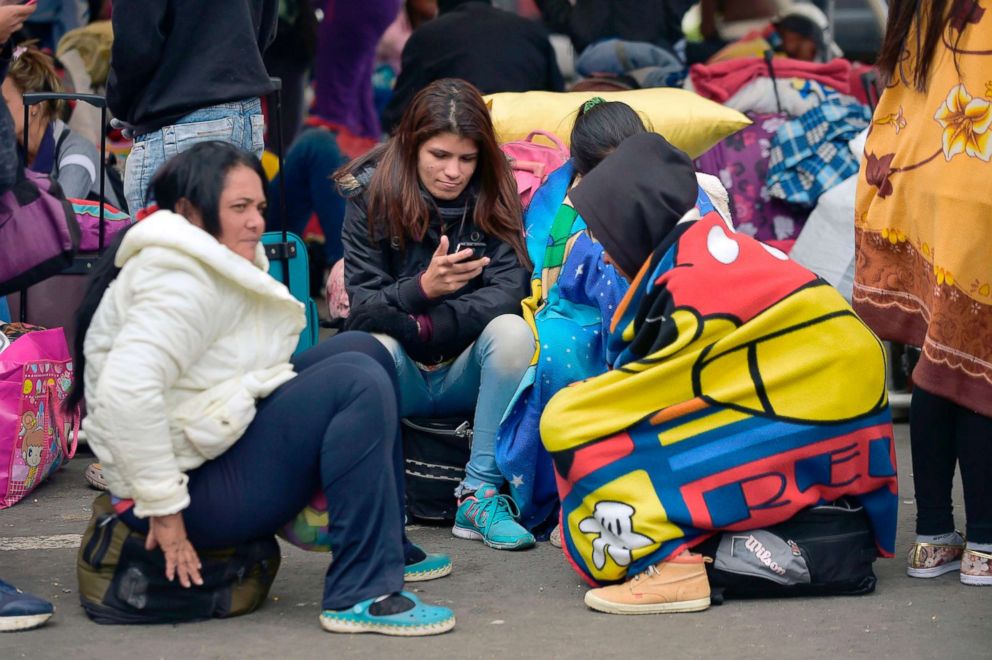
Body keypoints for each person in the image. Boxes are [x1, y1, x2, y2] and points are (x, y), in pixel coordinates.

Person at [70, 141, 456, 635]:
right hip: (183, 496)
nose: (255, 221)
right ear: (190, 211)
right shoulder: (174, 279)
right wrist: (163, 510)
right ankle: (362, 592)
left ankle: (383, 547)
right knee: (355, 382)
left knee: (363, 350)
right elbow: (127, 394)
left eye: (259, 207)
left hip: (211, 454)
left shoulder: (204, 256)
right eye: (239, 208)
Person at [540, 132, 898, 614]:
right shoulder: (699, 247)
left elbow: (649, 399)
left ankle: (672, 563)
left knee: (571, 426)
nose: (605, 254)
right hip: (831, 402)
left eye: (607, 238)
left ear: (636, 221)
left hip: (818, 401)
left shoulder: (688, 275)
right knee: (595, 419)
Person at [338, 78, 536, 551]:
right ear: (411, 146)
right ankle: (380, 497)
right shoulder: (368, 192)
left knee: (513, 333)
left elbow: (509, 292)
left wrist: (426, 324)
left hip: (464, 366)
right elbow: (362, 309)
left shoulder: (496, 187)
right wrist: (420, 288)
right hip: (400, 369)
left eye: (466, 159)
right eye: (440, 156)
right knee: (371, 348)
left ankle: (479, 493)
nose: (454, 172)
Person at [855, 0, 992, 587]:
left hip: (914, 175)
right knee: (979, 365)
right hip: (977, 172)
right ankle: (985, 542)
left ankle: (934, 536)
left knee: (938, 357)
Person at [107, 0, 279, 213]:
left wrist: (122, 102)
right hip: (240, 110)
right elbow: (267, 26)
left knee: (167, 244)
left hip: (180, 118)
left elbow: (136, 43)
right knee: (227, 242)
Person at [381, 0, 564, 133]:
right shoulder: (531, 31)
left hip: (460, 145)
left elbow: (400, 116)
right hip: (529, 146)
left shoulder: (428, 36)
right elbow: (557, 99)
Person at [3, 44, 122, 207]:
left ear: (35, 105)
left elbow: (58, 218)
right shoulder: (11, 154)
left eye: (3, 102)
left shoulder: (78, 152)